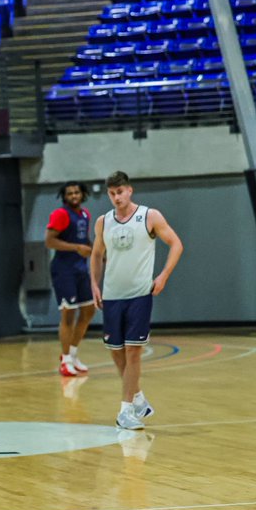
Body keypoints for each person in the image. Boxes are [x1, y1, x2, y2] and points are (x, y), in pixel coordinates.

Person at [90, 171, 184, 430]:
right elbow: (96, 254)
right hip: (111, 296)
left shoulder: (149, 216)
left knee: (133, 352)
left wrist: (163, 275)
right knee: (116, 352)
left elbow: (176, 244)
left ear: (129, 190)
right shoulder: (103, 222)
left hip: (139, 294)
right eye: (111, 193)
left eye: (120, 192)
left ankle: (125, 411)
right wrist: (94, 285)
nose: (116, 197)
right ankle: (139, 399)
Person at [45, 181, 96, 377]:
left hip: (80, 269)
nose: (73, 195)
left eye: (76, 192)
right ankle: (65, 360)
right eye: (69, 193)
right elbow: (49, 241)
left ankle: (73, 354)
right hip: (63, 270)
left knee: (89, 311)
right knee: (68, 315)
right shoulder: (60, 214)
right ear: (64, 197)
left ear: (82, 194)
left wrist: (98, 252)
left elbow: (84, 241)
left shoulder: (85, 214)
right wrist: (76, 248)